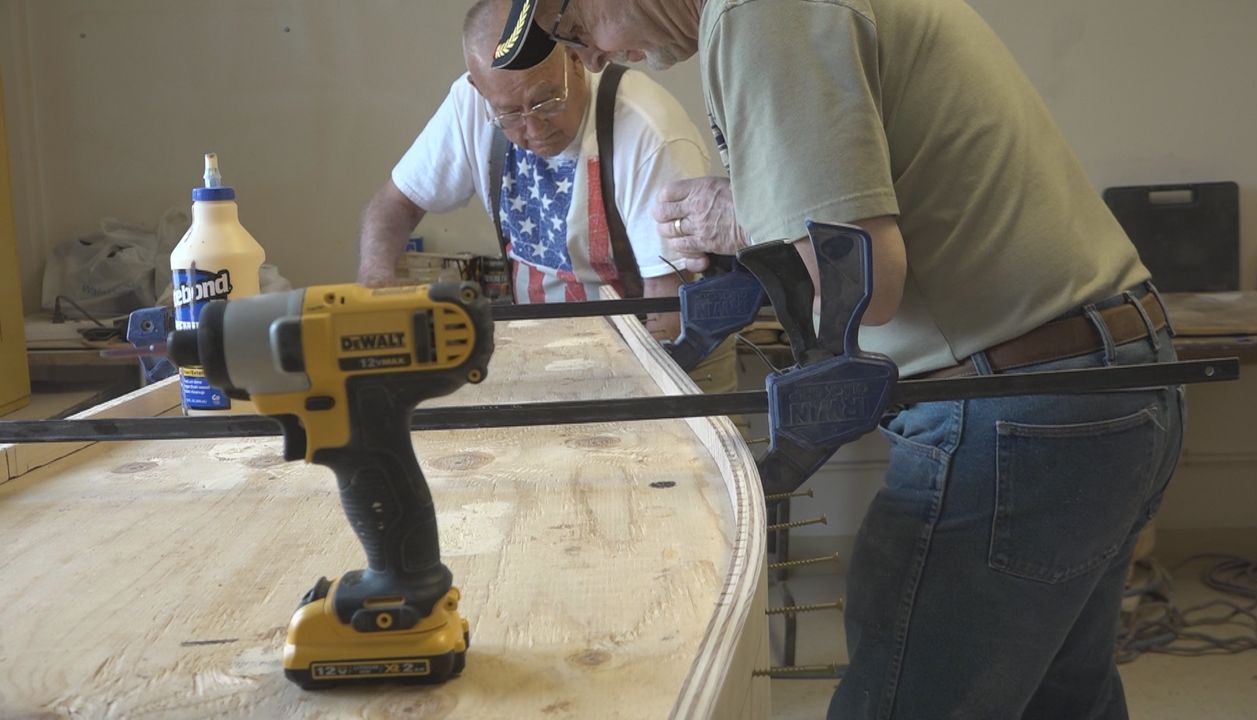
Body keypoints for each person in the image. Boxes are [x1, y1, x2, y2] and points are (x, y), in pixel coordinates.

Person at [491, 1, 1187, 718]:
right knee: (1061, 703)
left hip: (1020, 410)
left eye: (577, 33)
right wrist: (758, 218)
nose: (594, 60)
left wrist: (743, 217)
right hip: (1106, 380)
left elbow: (867, 279)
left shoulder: (762, 13)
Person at [358, 0, 736, 392]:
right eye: (511, 115)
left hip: (669, 360)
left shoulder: (647, 131)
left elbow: (667, 310)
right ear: (478, 90)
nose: (534, 129)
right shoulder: (471, 105)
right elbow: (396, 204)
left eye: (546, 101)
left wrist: (615, 401)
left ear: (577, 59)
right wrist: (375, 286)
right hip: (555, 357)